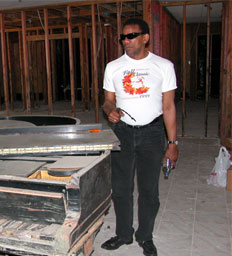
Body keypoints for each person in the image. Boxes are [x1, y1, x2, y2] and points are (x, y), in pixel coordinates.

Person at [101, 18, 179, 256]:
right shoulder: (113, 67)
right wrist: (109, 111)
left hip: (153, 133)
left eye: (131, 36)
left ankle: (145, 237)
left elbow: (168, 106)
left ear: (145, 37)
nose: (126, 41)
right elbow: (107, 101)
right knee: (121, 188)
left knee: (148, 190)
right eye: (123, 37)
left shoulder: (163, 66)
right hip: (123, 131)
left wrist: (173, 143)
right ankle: (123, 234)